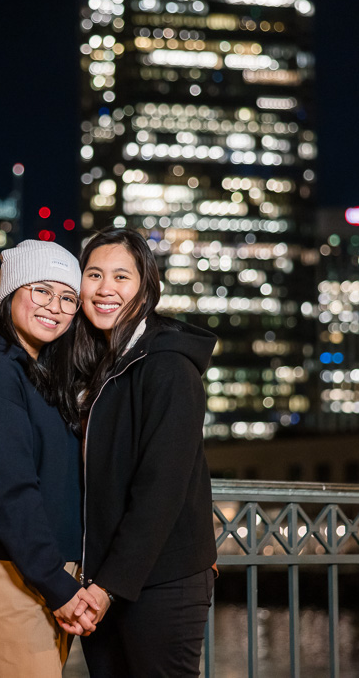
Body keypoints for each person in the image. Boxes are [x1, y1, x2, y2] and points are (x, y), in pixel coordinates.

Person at [73, 228, 218, 677]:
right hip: (106, 580)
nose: (105, 289)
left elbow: (162, 486)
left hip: (162, 580)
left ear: (146, 288)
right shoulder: (98, 367)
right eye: (94, 274)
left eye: (121, 276)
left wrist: (107, 587)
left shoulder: (169, 367)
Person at [0, 239, 100, 678]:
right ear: (10, 293)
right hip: (11, 574)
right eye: (41, 290)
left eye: (68, 297)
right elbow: (8, 489)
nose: (54, 306)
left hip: (42, 572)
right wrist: (59, 585)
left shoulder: (41, 375)